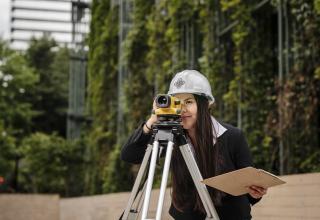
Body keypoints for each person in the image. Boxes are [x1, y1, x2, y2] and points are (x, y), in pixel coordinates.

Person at [121, 70, 267, 220]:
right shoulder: (171, 137)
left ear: (204, 105)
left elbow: (251, 192)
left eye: (189, 102)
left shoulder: (233, 136)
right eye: (177, 102)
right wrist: (151, 121)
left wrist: (255, 193)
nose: (183, 109)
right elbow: (129, 155)